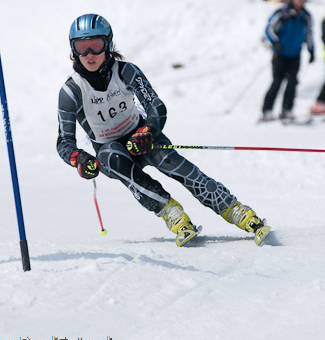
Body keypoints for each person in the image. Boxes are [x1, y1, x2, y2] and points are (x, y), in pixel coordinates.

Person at [57, 14, 271, 247]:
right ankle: (173, 214)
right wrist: (79, 159)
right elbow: (64, 143)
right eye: (81, 47)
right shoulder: (71, 91)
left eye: (96, 46)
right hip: (109, 148)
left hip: (141, 136)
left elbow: (156, 106)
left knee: (174, 163)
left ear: (107, 45)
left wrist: (147, 131)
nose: (89, 54)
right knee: (115, 159)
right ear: (73, 50)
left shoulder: (126, 72)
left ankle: (235, 210)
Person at [260, 0, 314, 122]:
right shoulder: (282, 13)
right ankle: (267, 111)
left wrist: (311, 49)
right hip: (280, 54)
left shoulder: (305, 16)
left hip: (295, 54)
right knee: (277, 82)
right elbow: (269, 29)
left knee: (292, 83)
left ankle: (287, 110)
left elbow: (309, 34)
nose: (301, 0)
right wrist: (275, 43)